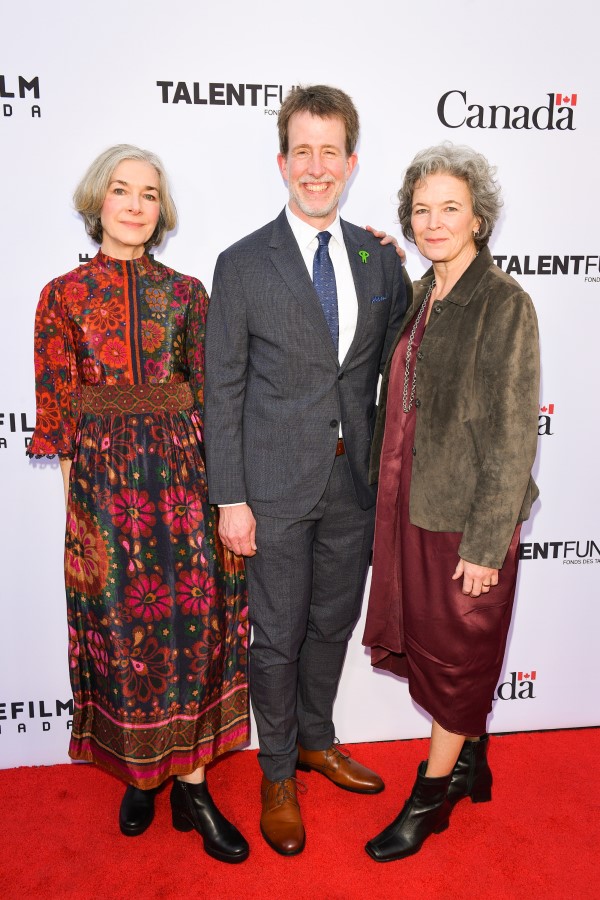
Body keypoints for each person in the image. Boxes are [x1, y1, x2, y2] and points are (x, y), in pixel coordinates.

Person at [28, 145, 249, 863]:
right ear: (98, 201)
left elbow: (216, 398)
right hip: (102, 487)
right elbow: (57, 407)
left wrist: (224, 497)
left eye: (148, 194)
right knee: (122, 633)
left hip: (184, 483)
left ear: (162, 210)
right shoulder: (61, 294)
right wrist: (76, 510)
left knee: (191, 631)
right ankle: (141, 774)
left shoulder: (187, 293)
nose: (133, 204)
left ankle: (192, 784)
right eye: (121, 190)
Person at [204, 85, 408, 856]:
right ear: (281, 161)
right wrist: (231, 496)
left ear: (351, 163)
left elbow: (403, 351)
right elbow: (221, 389)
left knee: (331, 624)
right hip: (273, 490)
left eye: (332, 152)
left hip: (352, 486)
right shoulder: (242, 262)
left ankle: (319, 740)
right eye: (303, 151)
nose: (316, 167)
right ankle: (279, 770)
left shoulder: (379, 260)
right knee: (277, 637)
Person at [362, 142, 540, 862]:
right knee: (441, 650)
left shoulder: (504, 303)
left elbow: (512, 431)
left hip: (466, 521)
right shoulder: (417, 294)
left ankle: (430, 800)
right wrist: (383, 259)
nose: (433, 222)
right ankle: (471, 760)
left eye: (450, 209)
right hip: (408, 507)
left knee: (459, 657)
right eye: (421, 209)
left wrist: (484, 541)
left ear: (478, 219)